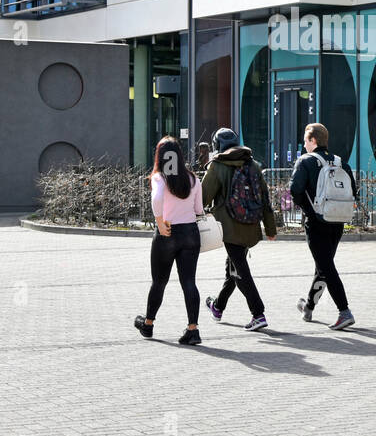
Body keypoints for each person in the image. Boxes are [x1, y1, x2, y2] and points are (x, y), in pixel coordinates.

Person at [202, 127, 276, 331]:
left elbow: (202, 198)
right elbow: (265, 199)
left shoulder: (217, 166)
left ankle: (258, 313)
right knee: (234, 268)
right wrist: (270, 229)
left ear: (217, 146)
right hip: (251, 225)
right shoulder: (253, 165)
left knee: (240, 270)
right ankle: (218, 306)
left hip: (228, 229)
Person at [135, 137, 204, 345]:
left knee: (159, 282)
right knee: (189, 282)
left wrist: (159, 221)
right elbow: (199, 210)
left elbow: (157, 199)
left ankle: (148, 324)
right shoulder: (193, 179)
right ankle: (193, 329)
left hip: (168, 233)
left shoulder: (159, 177)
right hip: (191, 233)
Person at [290, 123, 356, 330]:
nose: (304, 143)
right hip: (337, 221)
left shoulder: (306, 161)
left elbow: (295, 190)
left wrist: (308, 209)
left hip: (317, 222)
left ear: (313, 141)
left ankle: (344, 311)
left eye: (305, 140)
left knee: (326, 267)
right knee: (324, 265)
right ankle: (308, 307)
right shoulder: (340, 163)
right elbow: (353, 190)